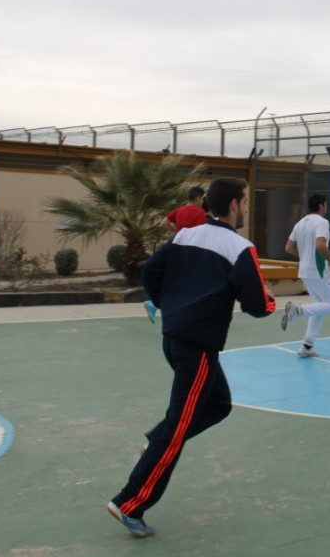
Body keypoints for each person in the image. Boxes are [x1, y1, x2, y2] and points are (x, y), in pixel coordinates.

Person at [108, 177, 276, 538]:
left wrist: (166, 301)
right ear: (233, 204)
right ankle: (129, 501)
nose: (245, 209)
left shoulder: (186, 236)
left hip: (175, 338)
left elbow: (151, 270)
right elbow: (258, 306)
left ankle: (158, 438)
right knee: (179, 425)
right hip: (198, 347)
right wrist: (271, 301)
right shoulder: (240, 247)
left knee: (219, 404)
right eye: (245, 202)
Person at [281, 193, 330, 357]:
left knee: (319, 307)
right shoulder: (322, 223)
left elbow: (288, 248)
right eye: (326, 205)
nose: (327, 208)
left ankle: (307, 347)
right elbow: (321, 246)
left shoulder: (300, 223)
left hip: (304, 270)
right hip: (317, 270)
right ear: (322, 205)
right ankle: (297, 310)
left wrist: (304, 256)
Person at [144, 186, 208, 323]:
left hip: (176, 246)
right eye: (202, 199)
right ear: (197, 198)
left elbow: (163, 223)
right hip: (191, 250)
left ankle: (154, 303)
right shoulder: (199, 212)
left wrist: (175, 231)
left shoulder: (178, 210)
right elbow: (203, 232)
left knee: (177, 279)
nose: (202, 202)